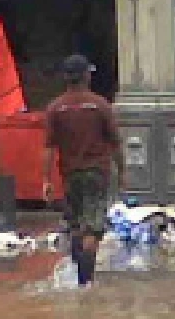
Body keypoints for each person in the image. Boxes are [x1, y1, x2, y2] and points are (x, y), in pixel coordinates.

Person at [43, 54, 126, 288]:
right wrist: (122, 172)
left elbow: (49, 147)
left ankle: (80, 275)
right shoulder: (99, 105)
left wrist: (46, 180)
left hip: (70, 174)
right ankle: (87, 283)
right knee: (93, 227)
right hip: (97, 173)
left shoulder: (55, 108)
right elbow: (115, 142)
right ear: (87, 76)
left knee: (77, 224)